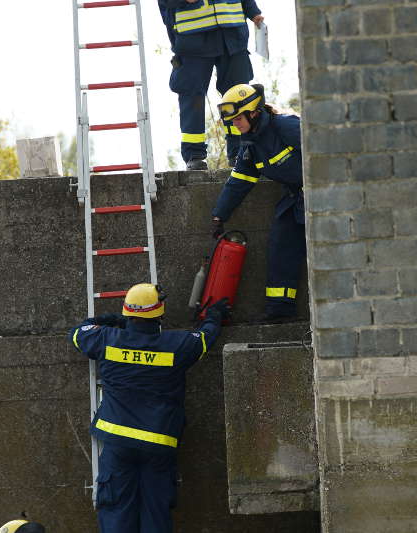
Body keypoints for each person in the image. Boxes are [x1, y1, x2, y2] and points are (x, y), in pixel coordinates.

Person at [68, 283, 230, 533]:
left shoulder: (106, 338)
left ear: (127, 312)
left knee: (116, 511)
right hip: (159, 443)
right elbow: (205, 339)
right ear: (159, 313)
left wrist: (107, 319)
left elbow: (78, 333)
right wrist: (213, 317)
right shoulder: (177, 345)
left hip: (118, 442)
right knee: (156, 512)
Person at [210, 83, 304, 321]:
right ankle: (280, 310)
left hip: (322, 195)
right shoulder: (251, 145)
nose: (235, 125)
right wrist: (220, 215)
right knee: (280, 245)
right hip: (296, 198)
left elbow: (326, 152)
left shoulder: (286, 126)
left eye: (238, 119)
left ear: (253, 112)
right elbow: (238, 182)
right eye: (231, 121)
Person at [157, 0, 264, 171]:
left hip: (232, 34)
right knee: (193, 98)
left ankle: (241, 151)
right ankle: (194, 155)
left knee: (239, 97)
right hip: (192, 39)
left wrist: (253, 11)